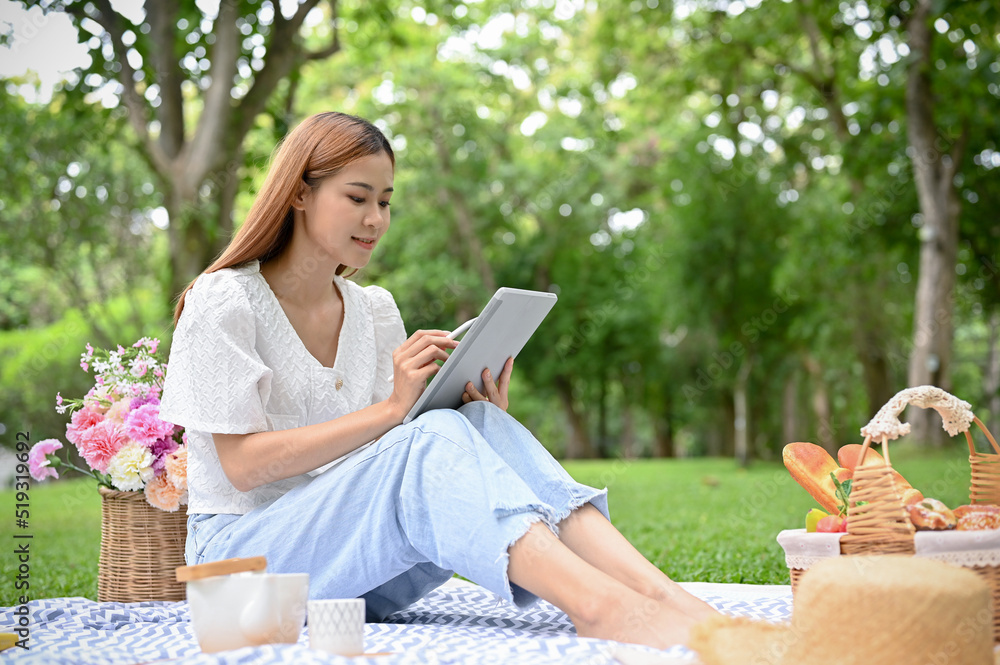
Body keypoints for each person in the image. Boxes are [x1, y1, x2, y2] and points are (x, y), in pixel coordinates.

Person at [159, 111, 719, 649]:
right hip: (241, 586)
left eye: (384, 201)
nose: (375, 219)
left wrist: (478, 422)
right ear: (300, 193)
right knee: (426, 434)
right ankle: (601, 608)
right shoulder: (224, 300)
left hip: (357, 580)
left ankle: (663, 595)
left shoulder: (374, 311)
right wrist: (393, 410)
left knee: (467, 419)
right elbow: (243, 465)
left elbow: (388, 464)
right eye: (356, 198)